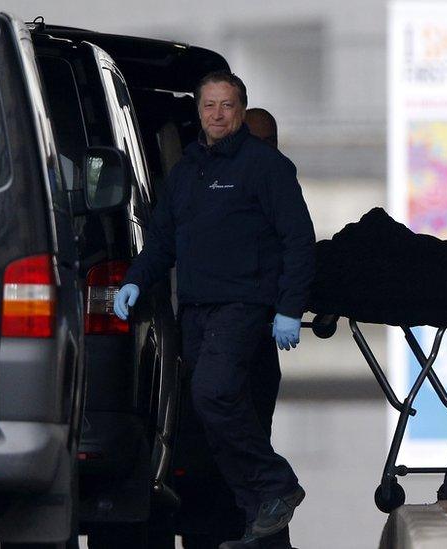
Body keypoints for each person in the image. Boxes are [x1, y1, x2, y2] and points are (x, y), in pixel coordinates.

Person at [113, 71, 315, 547]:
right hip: (197, 313)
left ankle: (275, 485)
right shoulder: (186, 172)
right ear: (199, 112)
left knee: (212, 394)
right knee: (209, 414)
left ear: (240, 111)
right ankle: (258, 515)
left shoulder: (265, 166)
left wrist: (288, 307)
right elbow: (162, 241)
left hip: (244, 305)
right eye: (209, 106)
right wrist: (135, 280)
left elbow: (298, 241)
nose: (218, 114)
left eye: (227, 105)